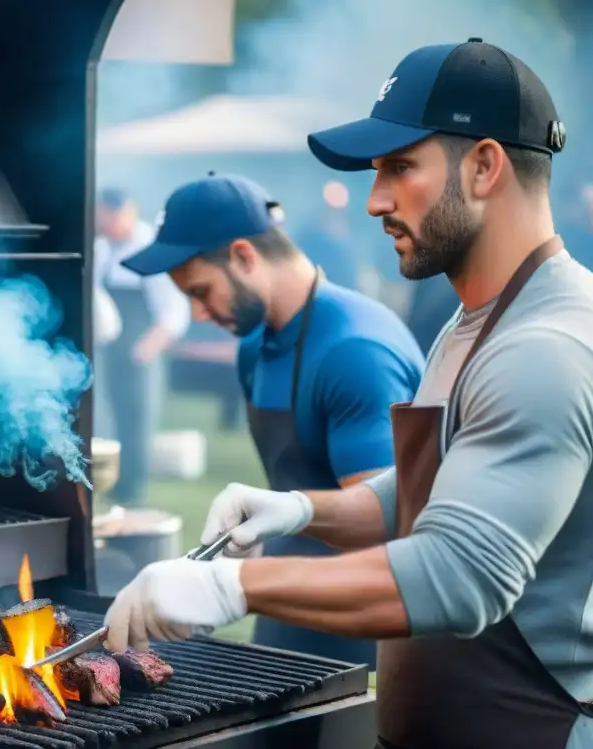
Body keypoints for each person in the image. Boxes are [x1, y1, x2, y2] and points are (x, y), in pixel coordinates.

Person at [102, 38, 593, 749]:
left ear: (485, 166)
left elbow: (460, 575)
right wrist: (300, 509)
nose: (374, 201)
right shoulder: (474, 319)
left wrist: (232, 587)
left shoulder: (544, 347)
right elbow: (432, 493)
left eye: (399, 168)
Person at [117, 172, 424, 667]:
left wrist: (234, 585)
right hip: (281, 616)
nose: (197, 314)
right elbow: (292, 487)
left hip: (361, 639)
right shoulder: (254, 346)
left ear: (243, 255)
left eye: (200, 291)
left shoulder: (355, 352)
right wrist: (235, 557)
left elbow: (388, 531)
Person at [93, 188, 191, 508]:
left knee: (136, 421)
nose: (103, 221)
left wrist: (145, 350)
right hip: (108, 350)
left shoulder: (150, 246)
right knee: (106, 418)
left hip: (140, 351)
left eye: (108, 214)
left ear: (126, 211)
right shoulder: (102, 248)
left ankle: (133, 491)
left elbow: (174, 310)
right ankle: (110, 482)